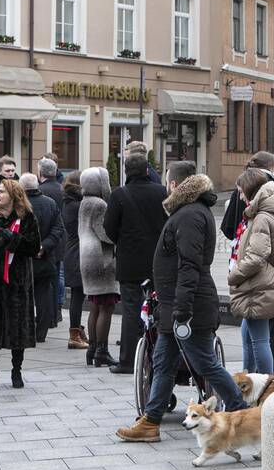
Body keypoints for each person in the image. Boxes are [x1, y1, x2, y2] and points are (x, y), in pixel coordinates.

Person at [116, 162, 251, 443]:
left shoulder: (189, 215)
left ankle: (243, 415)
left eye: (167, 182)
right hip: (173, 306)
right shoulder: (189, 212)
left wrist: (182, 309)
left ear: (175, 185)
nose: (165, 187)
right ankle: (151, 421)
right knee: (162, 362)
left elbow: (189, 265)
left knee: (205, 363)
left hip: (187, 306)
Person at [221, 151, 274, 370]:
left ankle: (263, 385)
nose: (238, 197)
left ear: (249, 191)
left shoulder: (261, 218)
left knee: (258, 339)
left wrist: (234, 275)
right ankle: (249, 379)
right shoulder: (273, 208)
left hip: (260, 284)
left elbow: (257, 257)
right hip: (266, 281)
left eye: (240, 192)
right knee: (249, 334)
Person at [0, 178, 42, 389]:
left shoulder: (26, 217)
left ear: (14, 195)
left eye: (2, 192)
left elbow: (34, 247)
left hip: (17, 281)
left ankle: (16, 371)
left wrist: (13, 238)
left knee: (16, 328)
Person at [105, 154, 168, 373]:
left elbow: (109, 228)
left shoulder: (119, 195)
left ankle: (128, 360)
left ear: (126, 171)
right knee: (159, 309)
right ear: (147, 171)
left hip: (130, 262)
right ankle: (159, 358)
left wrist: (123, 241)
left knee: (131, 311)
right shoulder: (161, 192)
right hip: (158, 262)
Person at [79, 167, 119, 366]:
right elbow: (106, 234)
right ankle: (101, 350)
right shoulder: (100, 204)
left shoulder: (84, 202)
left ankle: (92, 349)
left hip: (86, 258)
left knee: (95, 306)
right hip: (101, 259)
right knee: (107, 306)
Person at [19, 173, 64, 343]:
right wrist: (44, 246)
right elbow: (58, 229)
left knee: (23, 295)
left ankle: (26, 329)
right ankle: (41, 332)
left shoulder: (19, 206)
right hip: (44, 258)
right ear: (37, 185)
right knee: (43, 294)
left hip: (23, 259)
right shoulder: (50, 203)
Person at [60, 171, 89, 350]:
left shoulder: (68, 202)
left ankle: (78, 330)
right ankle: (74, 335)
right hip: (79, 252)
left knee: (78, 295)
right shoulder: (78, 205)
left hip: (72, 251)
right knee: (78, 296)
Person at [38, 157, 65, 328]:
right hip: (60, 240)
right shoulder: (63, 190)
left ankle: (46, 317)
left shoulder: (40, 191)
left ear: (40, 173)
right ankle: (55, 316)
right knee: (55, 279)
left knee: (44, 283)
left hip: (43, 242)